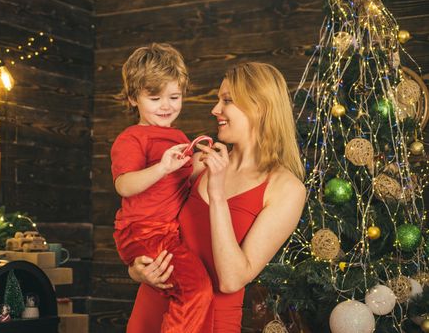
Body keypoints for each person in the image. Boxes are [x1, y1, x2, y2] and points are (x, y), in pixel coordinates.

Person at [127, 62, 307, 332]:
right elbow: (144, 218)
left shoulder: (287, 189)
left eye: (227, 100)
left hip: (210, 322)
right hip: (152, 308)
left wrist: (217, 194)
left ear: (259, 107)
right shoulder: (197, 162)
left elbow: (232, 280)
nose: (215, 110)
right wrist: (135, 269)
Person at [111, 43, 213, 333]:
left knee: (190, 292)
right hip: (145, 231)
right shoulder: (132, 138)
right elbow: (125, 185)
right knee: (196, 292)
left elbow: (182, 178)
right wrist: (161, 167)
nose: (166, 106)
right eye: (155, 98)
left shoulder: (177, 135)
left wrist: (200, 162)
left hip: (168, 232)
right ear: (133, 98)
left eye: (174, 96)